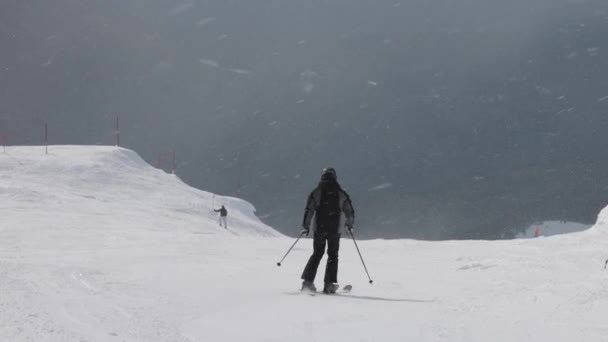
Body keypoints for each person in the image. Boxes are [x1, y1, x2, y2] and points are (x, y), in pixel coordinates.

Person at [300, 167, 355, 294]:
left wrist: (305, 226)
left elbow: (309, 210)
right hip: (334, 229)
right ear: (335, 177)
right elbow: (349, 211)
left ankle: (307, 283)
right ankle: (329, 285)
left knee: (317, 254)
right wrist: (349, 225)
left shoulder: (317, 192)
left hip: (319, 228)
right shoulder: (341, 193)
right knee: (333, 255)